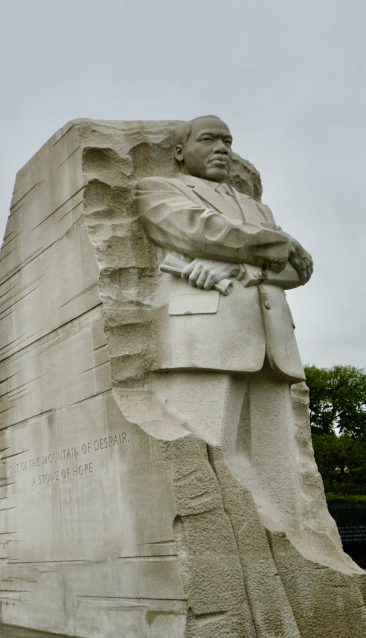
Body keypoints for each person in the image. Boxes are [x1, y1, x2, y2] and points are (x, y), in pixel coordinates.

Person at [135, 115, 325, 535]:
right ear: (181, 151)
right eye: (209, 139)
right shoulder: (160, 188)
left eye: (227, 141)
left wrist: (249, 270)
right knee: (205, 454)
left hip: (272, 341)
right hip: (205, 333)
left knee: (280, 470)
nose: (222, 148)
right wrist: (278, 244)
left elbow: (298, 271)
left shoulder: (257, 209)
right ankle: (217, 545)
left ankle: (289, 551)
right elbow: (199, 230)